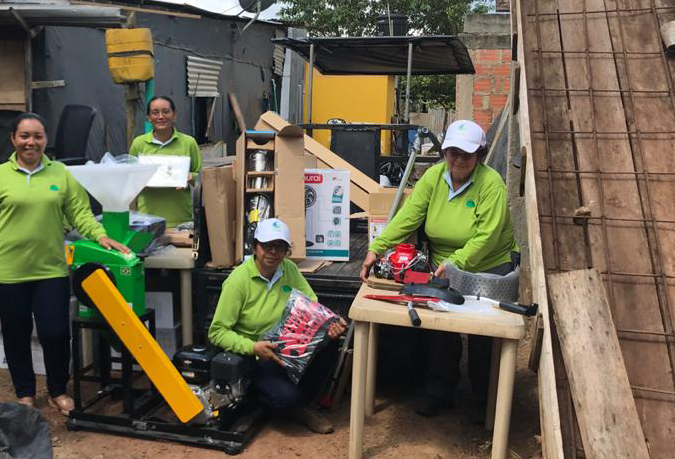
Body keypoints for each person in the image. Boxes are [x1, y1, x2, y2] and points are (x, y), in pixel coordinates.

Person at [0, 112, 131, 415]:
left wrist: (100, 236)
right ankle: (25, 393)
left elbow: (80, 213)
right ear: (13, 139)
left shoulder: (60, 174)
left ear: (45, 140)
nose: (30, 142)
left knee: (55, 333)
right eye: (24, 136)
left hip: (50, 271)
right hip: (8, 273)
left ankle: (57, 390)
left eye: (37, 136)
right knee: (16, 334)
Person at [359, 119, 518, 419]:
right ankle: (440, 391)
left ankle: (485, 400)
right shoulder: (433, 177)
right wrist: (376, 249)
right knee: (441, 329)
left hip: (489, 267)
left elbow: (486, 237)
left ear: (479, 155)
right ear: (444, 152)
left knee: (483, 334)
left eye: (467, 154)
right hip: (444, 265)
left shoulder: (491, 184)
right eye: (453, 152)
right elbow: (408, 217)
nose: (459, 159)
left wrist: (455, 263)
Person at [209, 218, 347, 434]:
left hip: (289, 346)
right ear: (255, 246)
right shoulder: (238, 281)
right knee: (286, 398)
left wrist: (330, 322)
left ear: (286, 251)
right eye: (267, 245)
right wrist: (253, 347)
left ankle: (301, 403)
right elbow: (217, 332)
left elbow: (312, 304)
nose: (273, 252)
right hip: (256, 355)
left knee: (329, 339)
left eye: (280, 246)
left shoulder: (288, 269)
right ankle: (263, 397)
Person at [128, 96, 202, 228]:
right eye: (155, 112)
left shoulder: (188, 143)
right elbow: (129, 178)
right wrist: (139, 180)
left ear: (174, 115)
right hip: (147, 219)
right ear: (148, 117)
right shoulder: (139, 144)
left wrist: (190, 177)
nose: (161, 117)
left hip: (181, 219)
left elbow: (202, 178)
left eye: (166, 111)